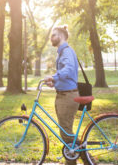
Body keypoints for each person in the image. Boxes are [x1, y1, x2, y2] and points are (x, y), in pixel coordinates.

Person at [44, 25, 91, 165]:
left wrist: (54, 77)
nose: (51, 37)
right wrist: (55, 83)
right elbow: (66, 74)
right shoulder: (62, 52)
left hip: (67, 97)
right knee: (66, 132)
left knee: (66, 133)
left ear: (61, 36)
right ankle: (77, 160)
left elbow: (69, 69)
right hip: (64, 94)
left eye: (54, 35)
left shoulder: (66, 51)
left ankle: (86, 160)